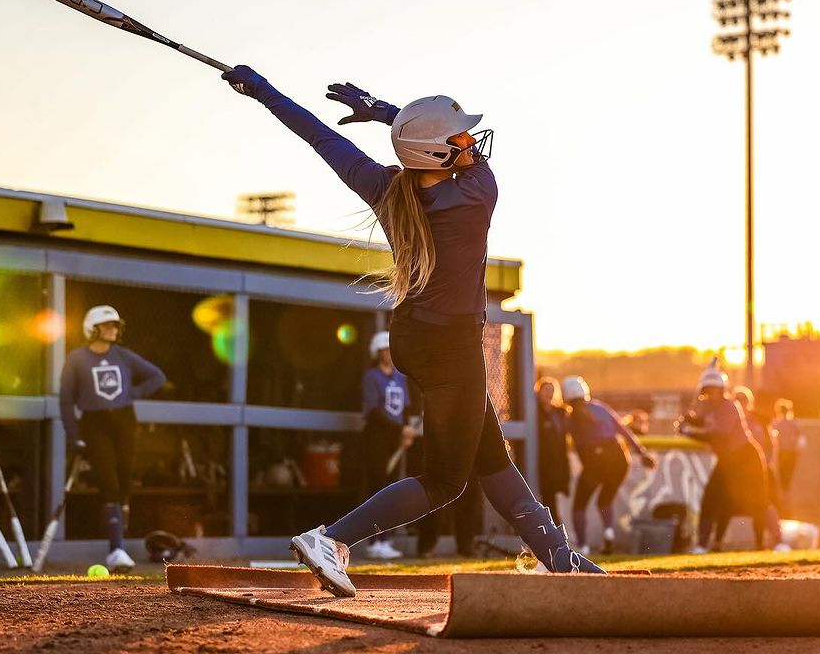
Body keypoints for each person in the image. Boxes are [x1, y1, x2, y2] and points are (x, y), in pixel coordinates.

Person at [221, 71, 603, 596]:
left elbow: (317, 135)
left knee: (489, 456)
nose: (472, 143)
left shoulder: (386, 189)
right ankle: (331, 539)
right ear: (437, 156)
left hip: (414, 341)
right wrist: (386, 113)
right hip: (453, 350)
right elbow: (437, 152)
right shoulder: (477, 194)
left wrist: (262, 89)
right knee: (446, 482)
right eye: (460, 139)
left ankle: (556, 556)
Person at [60, 305, 166, 573]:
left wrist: (133, 394)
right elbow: (65, 400)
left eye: (116, 325)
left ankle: (118, 543)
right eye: (107, 324)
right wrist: (74, 436)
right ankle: (116, 548)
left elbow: (157, 376)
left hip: (124, 420)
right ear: (92, 328)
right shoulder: (76, 358)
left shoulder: (123, 355)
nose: (113, 329)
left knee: (124, 480)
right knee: (108, 481)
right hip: (94, 423)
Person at [678, 360, 770, 553]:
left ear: (722, 389)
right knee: (712, 499)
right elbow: (703, 421)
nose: (710, 394)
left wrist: (689, 431)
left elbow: (718, 434)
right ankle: (706, 544)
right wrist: (689, 420)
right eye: (707, 390)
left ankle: (761, 544)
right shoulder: (709, 407)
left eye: (714, 390)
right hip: (727, 460)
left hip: (746, 457)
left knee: (757, 501)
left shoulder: (730, 406)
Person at [562, 376, 656, 554]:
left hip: (596, 461)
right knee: (605, 500)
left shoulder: (571, 418)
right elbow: (624, 431)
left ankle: (583, 547)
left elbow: (579, 445)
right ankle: (609, 533)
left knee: (579, 505)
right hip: (620, 460)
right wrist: (642, 453)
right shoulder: (599, 408)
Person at [361, 330, 416, 559]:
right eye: (385, 350)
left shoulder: (400, 378)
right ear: (378, 352)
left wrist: (407, 431)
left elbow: (405, 409)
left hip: (394, 440)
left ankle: (385, 539)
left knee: (391, 491)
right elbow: (372, 412)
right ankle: (373, 541)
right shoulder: (371, 377)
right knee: (376, 488)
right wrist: (399, 429)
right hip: (376, 439)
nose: (390, 355)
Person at [730, 386, 786, 551]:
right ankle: (715, 543)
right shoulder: (731, 422)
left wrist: (766, 463)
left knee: (763, 504)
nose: (740, 403)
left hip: (760, 469)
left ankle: (773, 540)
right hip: (739, 471)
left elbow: (770, 444)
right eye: (737, 399)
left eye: (743, 400)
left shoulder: (760, 420)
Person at [535, 377, 570, 527]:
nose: (549, 394)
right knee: (546, 499)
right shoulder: (534, 412)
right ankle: (554, 531)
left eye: (551, 390)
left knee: (551, 499)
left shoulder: (559, 413)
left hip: (555, 464)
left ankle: (555, 531)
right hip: (540, 463)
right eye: (545, 390)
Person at [771, 398, 804, 514]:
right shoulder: (791, 423)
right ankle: (785, 507)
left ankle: (785, 508)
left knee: (784, 482)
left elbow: (799, 441)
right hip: (786, 454)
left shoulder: (780, 423)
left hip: (786, 454)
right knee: (785, 482)